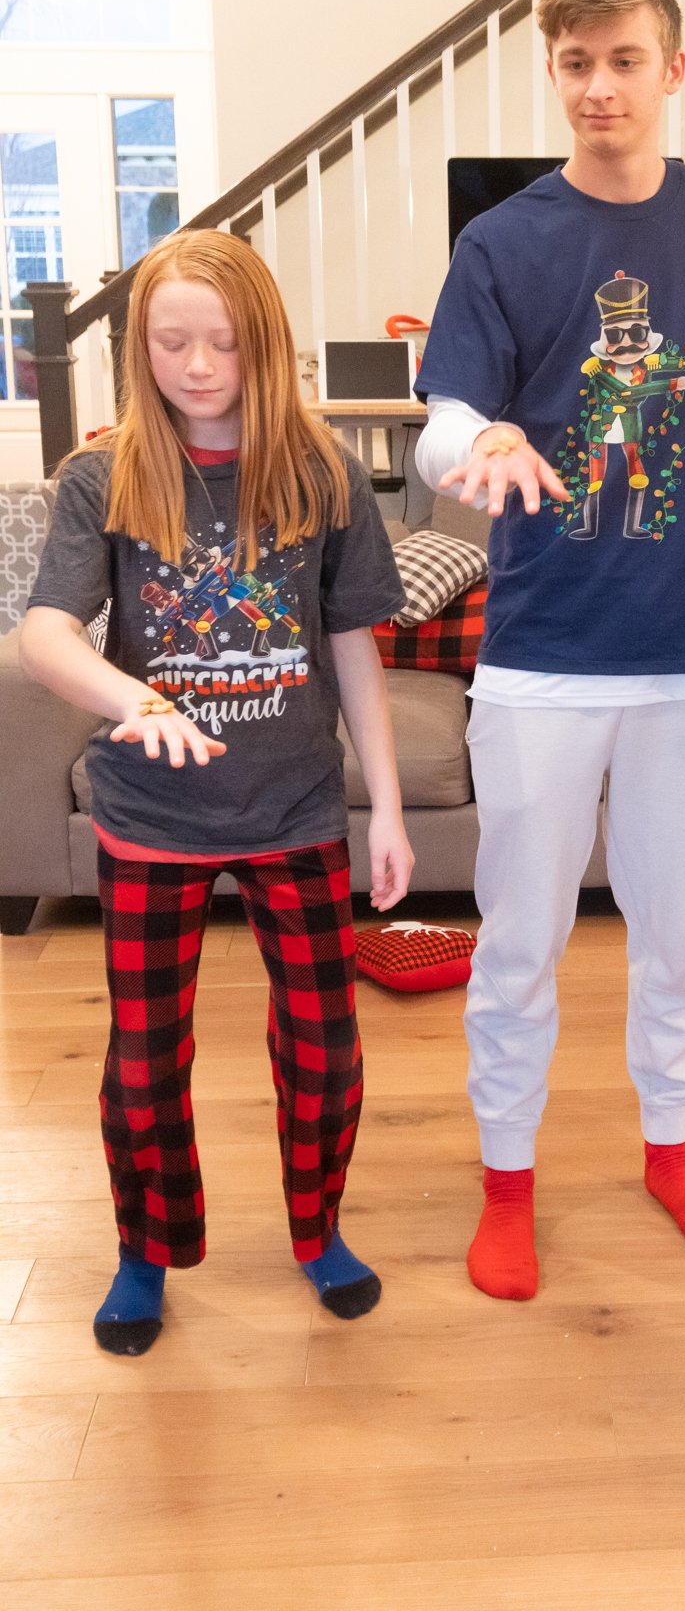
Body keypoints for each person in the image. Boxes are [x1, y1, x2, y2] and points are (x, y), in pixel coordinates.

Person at [414, 0, 685, 1300]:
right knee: (521, 938)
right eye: (576, 63)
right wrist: (471, 453)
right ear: (556, 71)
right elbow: (443, 421)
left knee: (675, 933)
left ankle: (668, 1148)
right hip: (539, 658)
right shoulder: (507, 240)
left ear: (672, 69)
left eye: (624, 60)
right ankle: (508, 1182)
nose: (600, 87)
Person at [21, 230, 414, 1352]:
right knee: (144, 1064)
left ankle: (315, 1230)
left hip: (295, 812)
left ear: (264, 346)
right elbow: (47, 632)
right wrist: (135, 704)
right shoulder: (104, 475)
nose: (197, 366)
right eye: (172, 341)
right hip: (152, 820)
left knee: (327, 1049)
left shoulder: (324, 472)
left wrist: (383, 807)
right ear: (140, 346)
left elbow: (351, 650)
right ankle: (146, 1250)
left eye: (224, 343)